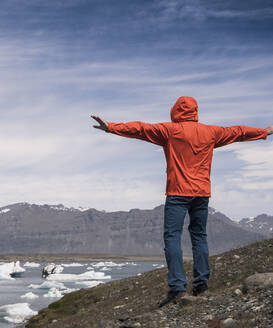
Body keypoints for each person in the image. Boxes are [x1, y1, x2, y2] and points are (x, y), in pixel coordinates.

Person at [91, 96, 272, 307]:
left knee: (172, 238)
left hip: (178, 193)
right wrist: (264, 132)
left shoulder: (170, 131)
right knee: (199, 237)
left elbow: (140, 129)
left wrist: (111, 127)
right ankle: (201, 285)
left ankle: (177, 288)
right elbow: (238, 132)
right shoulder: (211, 132)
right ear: (195, 111)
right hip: (202, 194)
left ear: (175, 111)